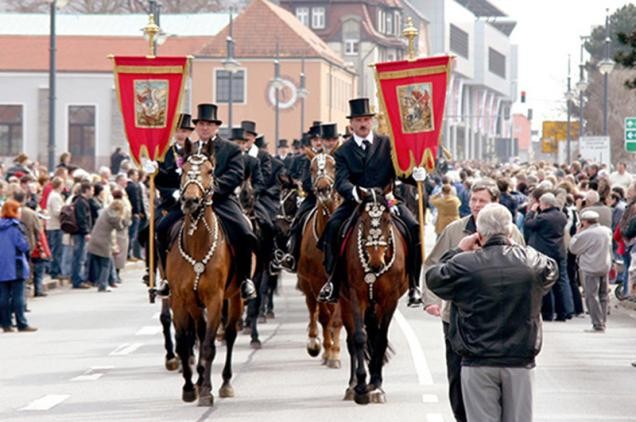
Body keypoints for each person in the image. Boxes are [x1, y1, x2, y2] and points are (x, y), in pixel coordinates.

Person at [426, 203, 558, 422]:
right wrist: (519, 248)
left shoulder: (464, 264)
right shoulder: (530, 262)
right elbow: (551, 268)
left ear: (479, 233)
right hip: (519, 356)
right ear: (509, 231)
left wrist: (458, 250)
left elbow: (434, 277)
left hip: (478, 357)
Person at [421, 179, 525, 422]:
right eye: (474, 200)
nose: (477, 206)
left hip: (500, 316)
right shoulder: (455, 230)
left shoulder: (513, 233)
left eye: (483, 201)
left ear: (495, 203)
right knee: (457, 380)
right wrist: (431, 298)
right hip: (457, 317)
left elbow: (526, 267)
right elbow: (433, 265)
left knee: (499, 383)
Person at [317, 98, 422, 307]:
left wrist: (415, 174)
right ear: (351, 125)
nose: (363, 124)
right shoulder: (343, 151)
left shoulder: (387, 144)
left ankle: (414, 284)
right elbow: (341, 181)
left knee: (413, 227)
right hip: (357, 202)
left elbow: (400, 171)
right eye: (358, 120)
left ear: (371, 122)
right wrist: (354, 191)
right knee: (332, 228)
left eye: (366, 119)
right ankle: (333, 282)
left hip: (387, 200)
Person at [188, 103, 256, 301]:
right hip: (192, 201)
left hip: (221, 200)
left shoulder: (231, 148)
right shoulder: (190, 149)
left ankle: (245, 280)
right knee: (163, 227)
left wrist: (212, 190)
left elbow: (236, 174)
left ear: (216, 127)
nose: (205, 128)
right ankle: (166, 278)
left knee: (244, 232)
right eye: (201, 124)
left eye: (209, 124)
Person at [524, 192, 573, 321]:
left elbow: (528, 223)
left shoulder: (543, 218)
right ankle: (563, 312)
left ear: (544, 204)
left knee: (544, 283)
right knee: (560, 283)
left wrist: (531, 211)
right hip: (559, 251)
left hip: (544, 252)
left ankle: (548, 313)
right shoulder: (562, 216)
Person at [569, 210, 613, 333]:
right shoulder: (606, 231)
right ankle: (603, 320)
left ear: (584, 222)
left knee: (591, 296)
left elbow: (573, 248)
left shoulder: (585, 234)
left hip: (590, 267)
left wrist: (577, 233)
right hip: (604, 266)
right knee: (603, 295)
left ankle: (597, 324)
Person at [0, 200, 37, 332]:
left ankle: (5, 323)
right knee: (18, 295)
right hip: (16, 263)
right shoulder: (15, 227)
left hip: (1, 264)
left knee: (3, 295)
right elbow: (23, 246)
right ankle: (21, 322)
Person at [86, 199, 126, 292]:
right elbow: (120, 227)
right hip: (103, 241)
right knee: (106, 263)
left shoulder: (105, 212)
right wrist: (123, 218)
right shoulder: (115, 217)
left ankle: (105, 281)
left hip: (94, 239)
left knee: (100, 263)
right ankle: (103, 285)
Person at [71, 182, 94, 289]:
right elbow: (82, 219)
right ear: (87, 190)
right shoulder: (81, 202)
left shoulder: (81, 201)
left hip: (80, 233)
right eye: (91, 190)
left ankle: (78, 278)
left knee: (80, 257)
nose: (93, 192)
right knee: (79, 257)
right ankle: (77, 280)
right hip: (80, 233)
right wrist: (86, 232)